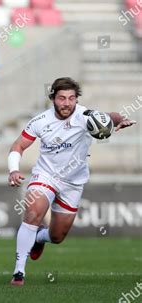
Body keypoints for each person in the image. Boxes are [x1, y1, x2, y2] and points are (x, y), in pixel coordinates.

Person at [7, 77, 136, 286]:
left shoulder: (85, 116)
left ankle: (39, 238)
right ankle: (18, 272)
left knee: (57, 236)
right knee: (33, 212)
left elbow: (110, 116)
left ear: (76, 99)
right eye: (61, 98)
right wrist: (13, 170)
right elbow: (17, 146)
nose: (66, 103)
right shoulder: (40, 121)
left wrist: (119, 119)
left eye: (71, 98)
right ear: (53, 99)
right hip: (46, 176)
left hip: (73, 182)